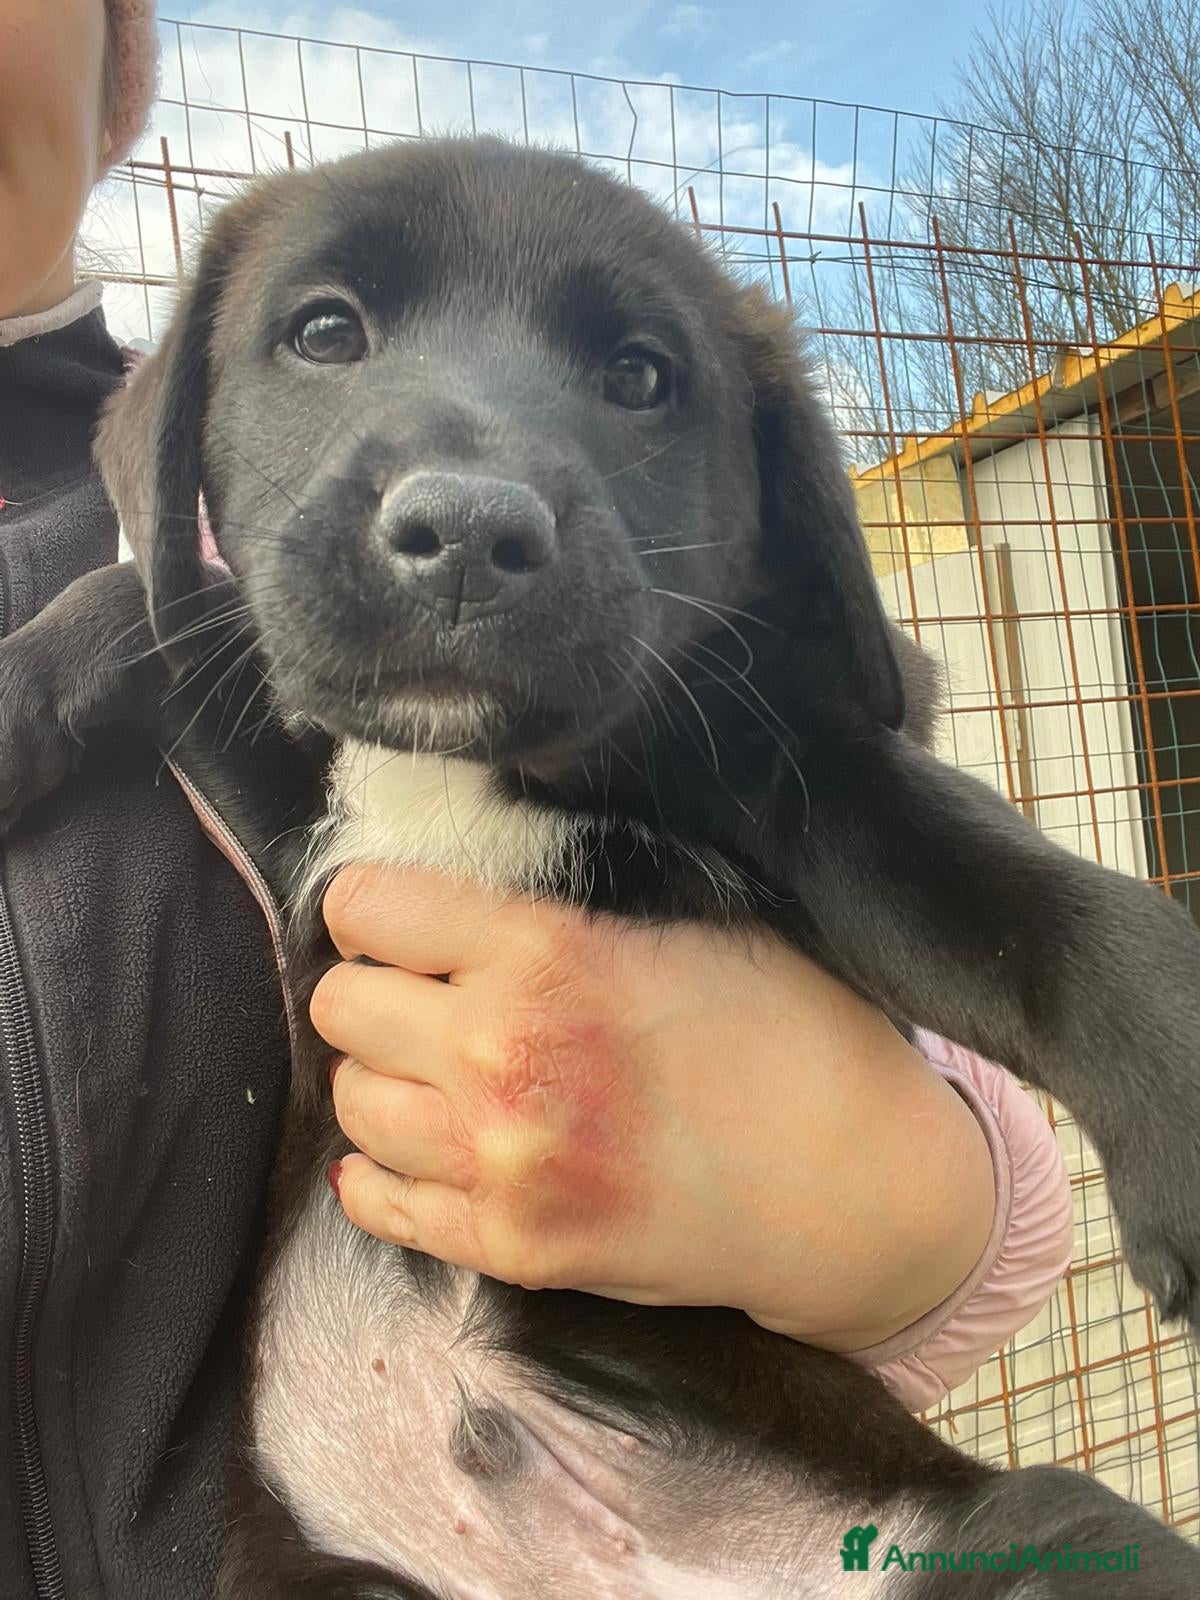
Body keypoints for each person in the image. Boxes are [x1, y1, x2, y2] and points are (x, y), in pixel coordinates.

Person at [0, 4, 1073, 1597]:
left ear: (124, 65)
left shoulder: (222, 552)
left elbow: (978, 1135)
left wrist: (918, 1201)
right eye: (332, 334)